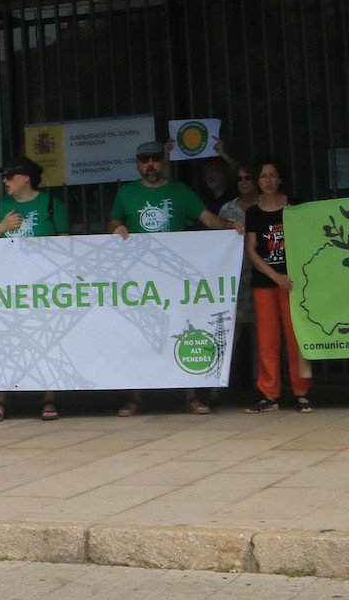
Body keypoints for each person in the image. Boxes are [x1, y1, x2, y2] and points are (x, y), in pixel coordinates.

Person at [110, 139, 239, 416]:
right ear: (138, 164)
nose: (150, 165)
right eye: (144, 160)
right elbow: (113, 222)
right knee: (139, 335)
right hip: (139, 280)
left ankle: (190, 396)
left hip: (175, 280)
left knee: (185, 329)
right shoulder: (126, 193)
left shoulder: (180, 191)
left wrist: (231, 226)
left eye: (155, 159)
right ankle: (135, 398)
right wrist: (117, 227)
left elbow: (206, 218)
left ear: (163, 161)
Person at [0, 157, 67, 422]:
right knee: (4, 342)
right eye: (4, 176)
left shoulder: (52, 204)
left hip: (44, 287)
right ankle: (0, 402)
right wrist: (2, 227)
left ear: (26, 177)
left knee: (47, 340)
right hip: (7, 289)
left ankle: (49, 399)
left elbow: (66, 245)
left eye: (10, 175)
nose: (5, 180)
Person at [241, 161, 312, 413]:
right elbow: (251, 250)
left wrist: (286, 276)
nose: (268, 180)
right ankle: (269, 393)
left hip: (293, 282)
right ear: (258, 181)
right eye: (263, 176)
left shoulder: (294, 206)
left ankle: (301, 391)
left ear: (280, 179)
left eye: (273, 175)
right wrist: (275, 275)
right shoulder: (253, 212)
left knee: (296, 337)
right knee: (267, 340)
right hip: (266, 283)